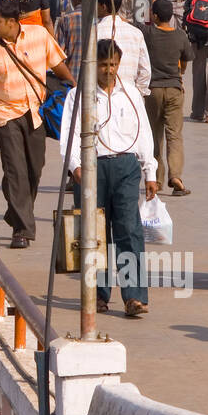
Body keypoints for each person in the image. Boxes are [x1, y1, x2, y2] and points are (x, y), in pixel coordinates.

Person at [58, 39, 158, 316]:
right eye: (103, 65)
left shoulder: (131, 95)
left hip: (126, 167)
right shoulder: (79, 95)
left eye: (113, 64)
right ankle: (97, 295)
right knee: (93, 234)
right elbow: (67, 133)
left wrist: (150, 170)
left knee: (128, 231)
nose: (109, 70)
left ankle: (134, 297)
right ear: (93, 66)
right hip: (91, 169)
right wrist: (75, 166)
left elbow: (145, 134)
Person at [0, 0, 74, 249]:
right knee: (15, 170)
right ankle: (22, 230)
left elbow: (58, 64)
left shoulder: (39, 35)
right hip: (6, 115)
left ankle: (17, 211)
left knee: (34, 170)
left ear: (13, 22)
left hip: (36, 113)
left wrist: (75, 88)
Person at [142, 0, 194, 195]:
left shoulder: (148, 33)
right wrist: (178, 76)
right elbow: (185, 60)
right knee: (174, 135)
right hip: (174, 88)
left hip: (153, 90)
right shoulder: (180, 35)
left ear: (155, 16)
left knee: (154, 136)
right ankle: (176, 176)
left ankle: (156, 178)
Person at [95, 0, 152, 97]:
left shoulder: (94, 32)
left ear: (103, 6)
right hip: (129, 96)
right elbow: (145, 71)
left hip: (101, 96)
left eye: (96, 5)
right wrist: (138, 94)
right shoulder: (136, 33)